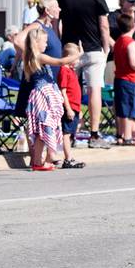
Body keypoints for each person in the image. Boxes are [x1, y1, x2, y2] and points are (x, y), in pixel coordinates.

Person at [55, 0, 111, 149]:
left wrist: (61, 44)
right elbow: (103, 24)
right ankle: (94, 135)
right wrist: (106, 47)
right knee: (94, 89)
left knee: (70, 90)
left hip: (70, 49)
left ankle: (69, 134)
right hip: (93, 48)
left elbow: (57, 23)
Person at [22, 28, 81, 171]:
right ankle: (37, 162)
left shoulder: (33, 57)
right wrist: (78, 54)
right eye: (45, 41)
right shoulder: (39, 57)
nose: (46, 44)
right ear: (36, 42)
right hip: (42, 95)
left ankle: (40, 161)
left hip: (45, 94)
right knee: (44, 128)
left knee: (45, 129)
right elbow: (60, 62)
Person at [113, 14, 135, 147]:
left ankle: (121, 134)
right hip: (130, 79)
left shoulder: (118, 42)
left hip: (119, 78)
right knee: (130, 109)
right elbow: (133, 62)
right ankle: (128, 136)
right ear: (133, 26)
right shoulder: (130, 43)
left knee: (121, 108)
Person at [58, 43, 85, 168]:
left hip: (75, 107)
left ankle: (69, 157)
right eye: (76, 58)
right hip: (69, 107)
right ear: (68, 57)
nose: (78, 61)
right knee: (66, 134)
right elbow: (63, 91)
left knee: (72, 132)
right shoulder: (64, 70)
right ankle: (68, 159)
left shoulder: (71, 70)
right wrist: (68, 108)